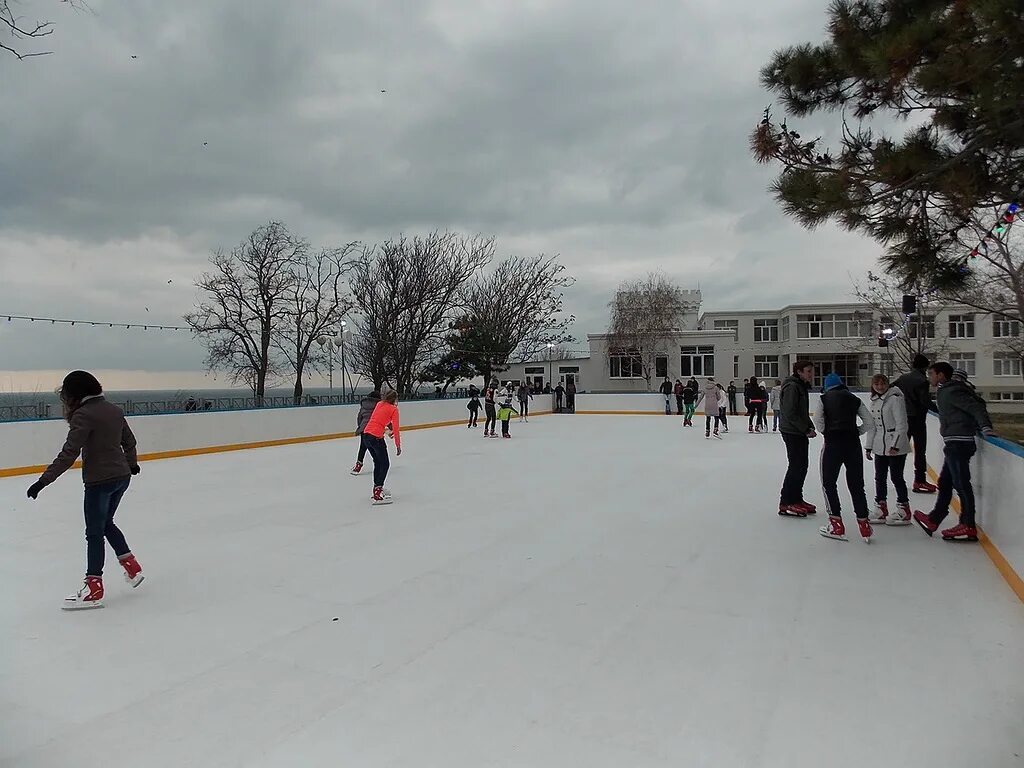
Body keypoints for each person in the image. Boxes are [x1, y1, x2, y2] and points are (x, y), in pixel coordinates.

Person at [26, 371, 144, 609]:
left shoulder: (83, 415)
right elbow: (129, 442)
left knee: (94, 533)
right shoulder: (113, 409)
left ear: (75, 394)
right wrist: (131, 464)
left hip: (99, 482)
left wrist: (43, 481)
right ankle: (131, 566)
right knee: (106, 523)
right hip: (121, 477)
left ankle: (94, 586)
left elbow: (69, 453)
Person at [913, 363, 996, 541]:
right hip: (954, 442)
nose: (930, 377)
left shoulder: (952, 391)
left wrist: (986, 426)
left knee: (961, 484)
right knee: (945, 481)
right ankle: (934, 519)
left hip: (959, 442)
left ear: (941, 375)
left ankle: (968, 525)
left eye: (932, 374)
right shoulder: (946, 391)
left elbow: (976, 407)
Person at [813, 373, 873, 543]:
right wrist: (856, 432)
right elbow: (869, 421)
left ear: (827, 386)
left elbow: (817, 420)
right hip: (853, 445)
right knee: (856, 485)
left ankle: (836, 524)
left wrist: (827, 431)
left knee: (828, 483)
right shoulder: (854, 399)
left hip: (833, 444)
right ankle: (864, 525)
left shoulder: (824, 399)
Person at [863, 374, 912, 525]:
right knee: (880, 477)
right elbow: (873, 427)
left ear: (887, 384)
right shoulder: (874, 401)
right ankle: (881, 508)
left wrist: (895, 445)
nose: (879, 386)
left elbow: (902, 424)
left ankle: (904, 509)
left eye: (882, 383)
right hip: (880, 444)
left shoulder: (895, 399)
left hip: (894, 445)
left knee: (896, 477)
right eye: (876, 384)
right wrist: (869, 447)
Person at [778, 361, 817, 517]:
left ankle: (796, 499)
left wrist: (809, 426)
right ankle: (786, 502)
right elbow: (789, 412)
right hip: (791, 431)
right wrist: (805, 428)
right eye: (808, 371)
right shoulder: (793, 387)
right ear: (799, 372)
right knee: (796, 466)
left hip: (797, 431)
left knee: (801, 466)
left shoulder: (800, 386)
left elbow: (801, 412)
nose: (811, 374)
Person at [894, 354, 937, 494]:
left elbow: (890, 388)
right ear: (925, 367)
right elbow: (925, 401)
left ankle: (897, 477)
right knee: (920, 451)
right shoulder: (922, 381)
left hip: (904, 418)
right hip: (917, 419)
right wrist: (939, 410)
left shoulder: (903, 378)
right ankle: (919, 480)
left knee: (901, 449)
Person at [362, 389, 402, 504]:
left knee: (378, 463)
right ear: (394, 399)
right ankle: (377, 492)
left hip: (366, 435)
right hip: (376, 437)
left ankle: (377, 488)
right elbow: (396, 428)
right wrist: (398, 445)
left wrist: (388, 431)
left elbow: (378, 421)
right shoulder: (394, 409)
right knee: (385, 464)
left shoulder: (379, 404)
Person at [351, 390, 381, 473]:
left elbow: (359, 417)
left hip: (364, 429)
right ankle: (378, 462)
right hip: (374, 429)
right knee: (376, 447)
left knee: (363, 447)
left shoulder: (364, 405)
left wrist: (360, 426)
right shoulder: (379, 406)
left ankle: (358, 464)